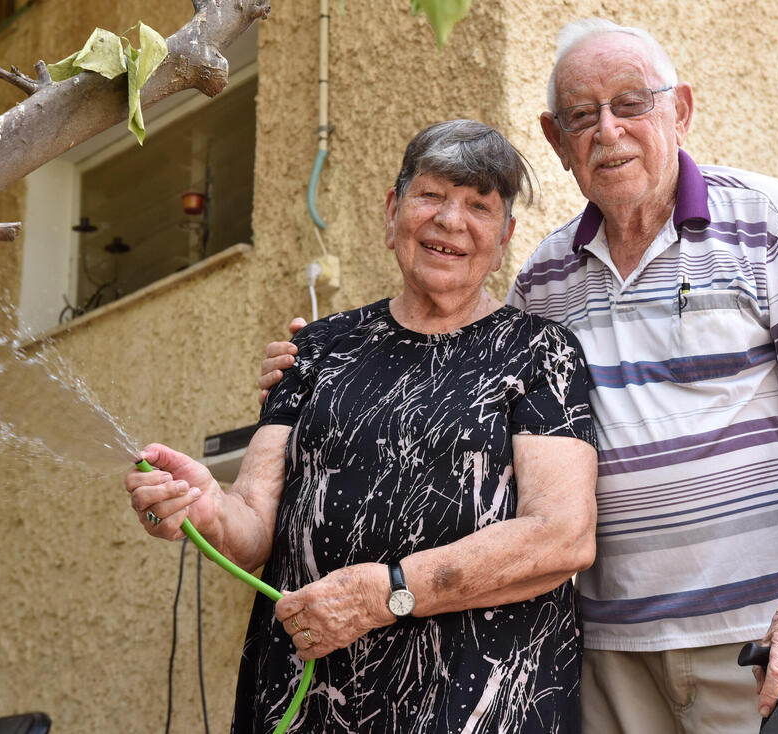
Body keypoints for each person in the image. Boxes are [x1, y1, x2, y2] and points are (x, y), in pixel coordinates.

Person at [259, 18, 778, 733]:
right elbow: (479, 403)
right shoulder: (546, 278)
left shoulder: (765, 217)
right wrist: (321, 371)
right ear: (557, 141)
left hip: (763, 636)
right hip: (612, 656)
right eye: (582, 115)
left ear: (680, 111)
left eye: (631, 103)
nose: (607, 130)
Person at [128, 120, 599, 733]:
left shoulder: (541, 353)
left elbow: (562, 537)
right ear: (393, 210)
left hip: (480, 704)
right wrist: (202, 505)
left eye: (478, 206)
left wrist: (387, 594)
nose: (450, 221)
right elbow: (253, 522)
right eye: (430, 195)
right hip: (305, 700)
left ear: (504, 238)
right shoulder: (318, 350)